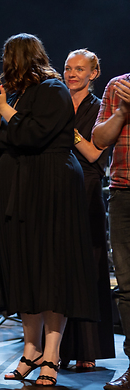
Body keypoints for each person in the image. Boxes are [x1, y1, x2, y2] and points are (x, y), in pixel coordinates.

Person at [0, 34, 96, 386]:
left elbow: (35, 134)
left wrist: (4, 109)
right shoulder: (15, 97)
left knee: (51, 270)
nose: (6, 64)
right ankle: (31, 351)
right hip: (19, 191)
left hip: (51, 187)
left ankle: (52, 354)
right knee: (25, 269)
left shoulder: (53, 89)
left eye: (9, 57)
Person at [59, 49, 114, 371]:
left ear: (94, 73)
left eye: (80, 69)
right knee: (60, 267)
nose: (72, 74)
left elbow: (95, 155)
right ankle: (57, 347)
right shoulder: (57, 102)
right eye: (68, 68)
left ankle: (89, 347)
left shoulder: (101, 108)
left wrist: (69, 132)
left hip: (88, 186)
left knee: (90, 266)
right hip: (58, 184)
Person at [93, 70, 130, 390]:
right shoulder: (118, 86)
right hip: (123, 192)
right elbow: (100, 140)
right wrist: (121, 112)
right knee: (127, 287)